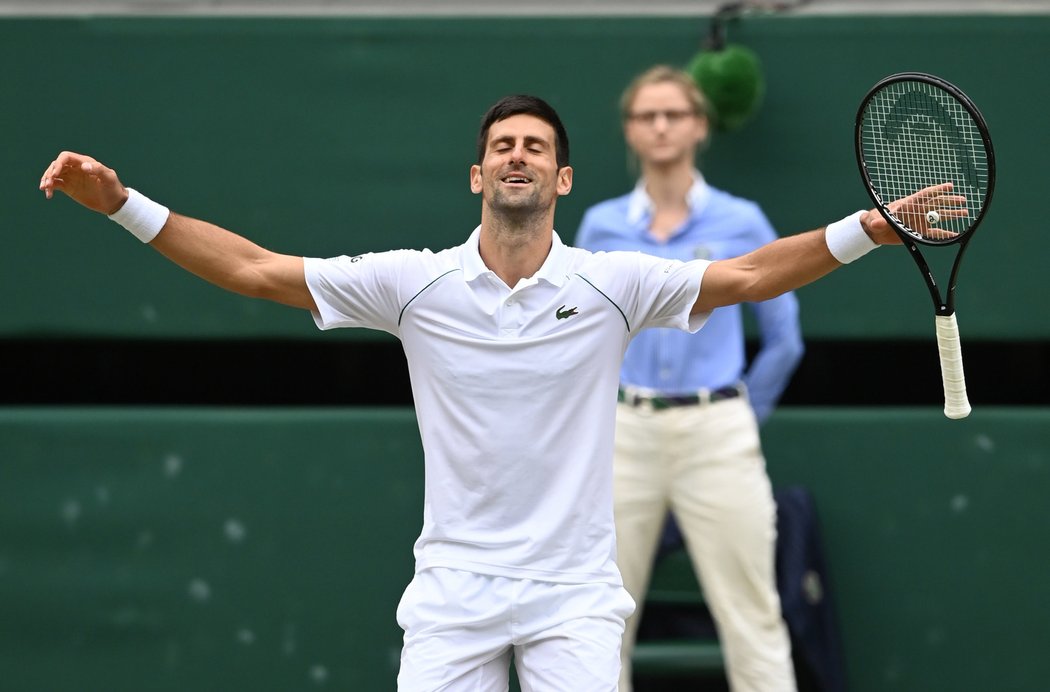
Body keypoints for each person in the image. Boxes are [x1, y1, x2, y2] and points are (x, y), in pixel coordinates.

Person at [38, 94, 960, 692]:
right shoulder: (412, 283)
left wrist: (870, 229)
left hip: (574, 599)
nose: (517, 156)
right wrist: (126, 206)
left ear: (561, 179)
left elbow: (751, 276)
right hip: (451, 596)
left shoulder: (614, 281)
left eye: (536, 148)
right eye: (502, 147)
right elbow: (251, 269)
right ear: (480, 176)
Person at [574, 66, 803, 691]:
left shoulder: (742, 220)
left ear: (699, 126)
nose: (661, 126)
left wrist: (735, 416)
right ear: (629, 130)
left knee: (752, 613)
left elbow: (784, 336)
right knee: (597, 617)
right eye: (647, 115)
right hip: (623, 433)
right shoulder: (598, 227)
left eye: (674, 113)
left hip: (717, 430)